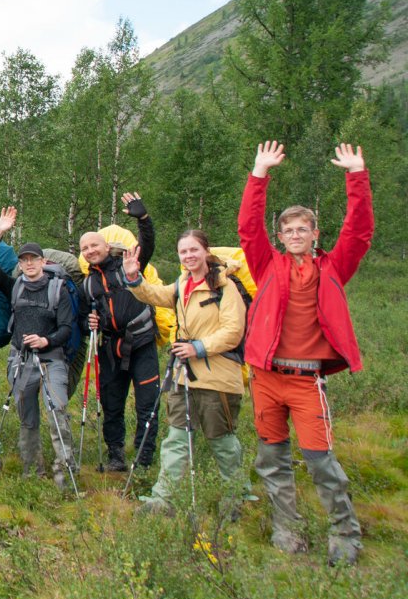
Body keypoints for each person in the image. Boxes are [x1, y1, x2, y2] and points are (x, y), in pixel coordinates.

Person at [240, 141, 371, 565]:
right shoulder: (267, 266)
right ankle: (286, 529)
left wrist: (357, 175)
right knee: (272, 461)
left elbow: (359, 231)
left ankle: (346, 535)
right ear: (280, 237)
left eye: (303, 229)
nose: (295, 236)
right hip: (267, 379)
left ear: (315, 234)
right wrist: (258, 174)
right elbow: (248, 229)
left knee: (321, 463)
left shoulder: (334, 268)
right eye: (289, 230)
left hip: (306, 382)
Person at [123, 230, 251, 514]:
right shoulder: (182, 284)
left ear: (206, 251)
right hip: (183, 377)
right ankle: (163, 499)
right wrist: (133, 277)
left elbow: (233, 331)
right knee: (177, 439)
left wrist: (198, 348)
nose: (189, 256)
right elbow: (155, 295)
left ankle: (237, 496)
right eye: (183, 252)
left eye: (194, 250)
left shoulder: (225, 287)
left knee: (222, 441)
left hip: (218, 377)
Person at [0, 209, 77, 486]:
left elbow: (67, 329)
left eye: (33, 259)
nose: (29, 263)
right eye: (24, 260)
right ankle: (32, 471)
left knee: (57, 414)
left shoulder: (58, 289)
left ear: (43, 261)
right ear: (20, 264)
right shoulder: (14, 286)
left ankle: (65, 475)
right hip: (20, 361)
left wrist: (47, 340)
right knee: (28, 418)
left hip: (52, 360)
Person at [79, 193, 160, 472]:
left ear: (106, 245)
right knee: (112, 404)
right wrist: (91, 322)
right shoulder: (88, 284)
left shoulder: (130, 264)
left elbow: (147, 244)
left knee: (147, 404)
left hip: (142, 344)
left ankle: (144, 458)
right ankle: (116, 455)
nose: (90, 250)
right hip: (110, 348)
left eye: (94, 245)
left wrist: (143, 218)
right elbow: (84, 318)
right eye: (85, 248)